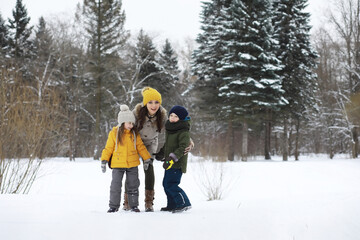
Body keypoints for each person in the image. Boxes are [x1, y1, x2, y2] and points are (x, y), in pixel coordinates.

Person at [100, 104, 152, 213]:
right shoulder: (114, 133)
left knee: (133, 185)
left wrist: (147, 159)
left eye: (132, 123)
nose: (131, 125)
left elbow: (141, 147)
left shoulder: (134, 134)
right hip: (117, 165)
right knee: (115, 186)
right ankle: (113, 206)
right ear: (122, 122)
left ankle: (134, 205)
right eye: (129, 123)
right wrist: (104, 160)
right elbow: (108, 148)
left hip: (132, 164)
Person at [155, 105, 192, 213]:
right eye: (171, 115)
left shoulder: (183, 131)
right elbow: (168, 145)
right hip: (169, 163)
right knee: (166, 184)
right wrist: (161, 154)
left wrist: (171, 159)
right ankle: (172, 204)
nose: (172, 118)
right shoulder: (171, 129)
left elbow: (182, 148)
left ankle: (184, 203)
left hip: (177, 163)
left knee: (171, 184)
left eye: (176, 116)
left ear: (181, 118)